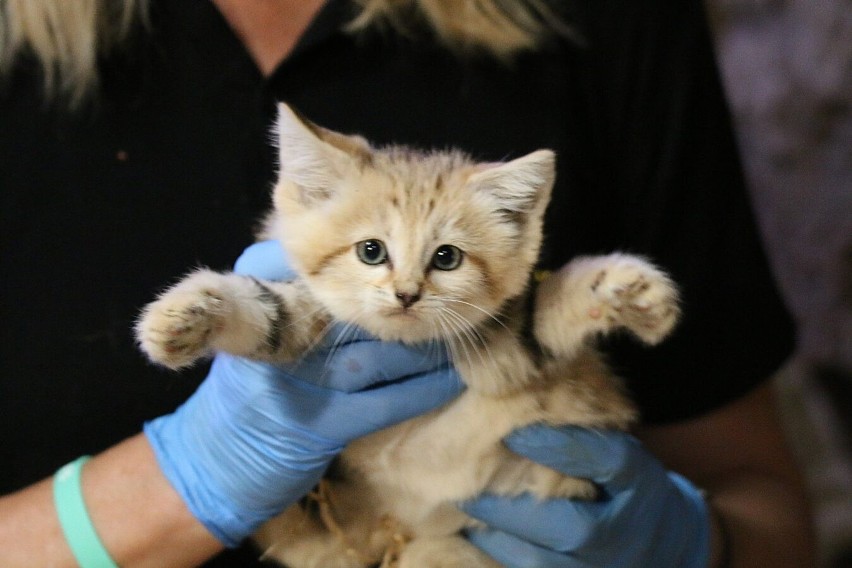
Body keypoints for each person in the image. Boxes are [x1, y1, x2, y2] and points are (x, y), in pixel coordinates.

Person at [0, 0, 815, 566]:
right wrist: (184, 478)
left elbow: (771, 510)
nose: (407, 291)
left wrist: (692, 547)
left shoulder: (607, 21)